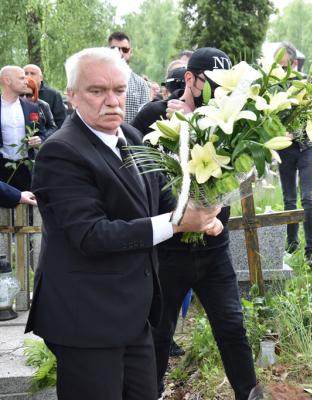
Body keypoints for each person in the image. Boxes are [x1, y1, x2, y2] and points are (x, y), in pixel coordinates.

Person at [24, 47, 223, 400]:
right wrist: (179, 222)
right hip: (85, 319)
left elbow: (159, 196)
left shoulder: (131, 137)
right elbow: (92, 234)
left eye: (119, 90)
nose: (111, 101)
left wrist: (203, 214)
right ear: (71, 96)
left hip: (134, 314)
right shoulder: (61, 152)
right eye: (97, 91)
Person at [132, 48, 257, 400]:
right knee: (159, 329)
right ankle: (150, 392)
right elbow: (136, 173)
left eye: (225, 86)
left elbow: (240, 173)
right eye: (211, 84)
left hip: (214, 245)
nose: (220, 93)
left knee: (232, 325)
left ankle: (249, 393)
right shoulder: (154, 115)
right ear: (190, 79)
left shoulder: (232, 119)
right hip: (167, 247)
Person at [275, 42, 312, 265]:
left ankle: (311, 250)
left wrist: (299, 131)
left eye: (284, 67)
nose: (281, 72)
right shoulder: (273, 86)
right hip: (285, 148)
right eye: (277, 67)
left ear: (294, 64)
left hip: (307, 147)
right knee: (289, 199)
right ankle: (291, 245)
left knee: (308, 197)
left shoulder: (309, 84)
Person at [0, 66, 47, 190]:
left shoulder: (32, 107)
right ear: (7, 80)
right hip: (1, 167)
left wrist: (39, 139)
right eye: (21, 78)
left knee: (29, 205)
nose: (26, 81)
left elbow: (42, 132)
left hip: (26, 167)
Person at [108, 31, 150, 123]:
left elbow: (145, 118)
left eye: (124, 49)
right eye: (114, 49)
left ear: (130, 52)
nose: (120, 53)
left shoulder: (141, 84)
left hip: (132, 136)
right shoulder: (97, 81)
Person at [23, 64, 67, 128]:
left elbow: (61, 122)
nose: (28, 76)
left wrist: (45, 137)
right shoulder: (17, 94)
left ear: (41, 78)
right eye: (25, 73)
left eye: (32, 73)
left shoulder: (53, 95)